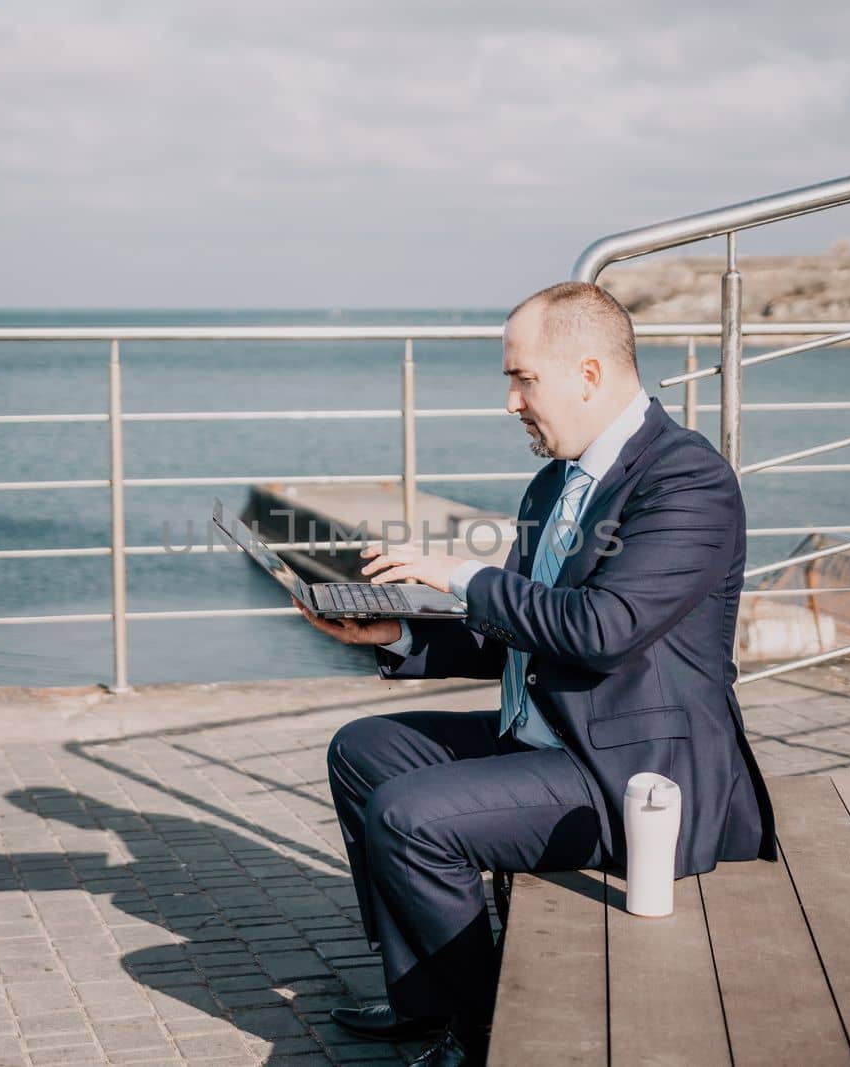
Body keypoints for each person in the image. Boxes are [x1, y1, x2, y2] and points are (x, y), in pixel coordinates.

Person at [296, 281, 775, 1067]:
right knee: (363, 750)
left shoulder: (686, 482)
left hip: (636, 772)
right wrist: (395, 634)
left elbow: (602, 630)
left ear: (588, 373)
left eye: (523, 379)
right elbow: (518, 634)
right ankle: (423, 997)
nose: (511, 401)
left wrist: (460, 573)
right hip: (551, 741)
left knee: (410, 816)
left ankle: (482, 1031)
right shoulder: (555, 483)